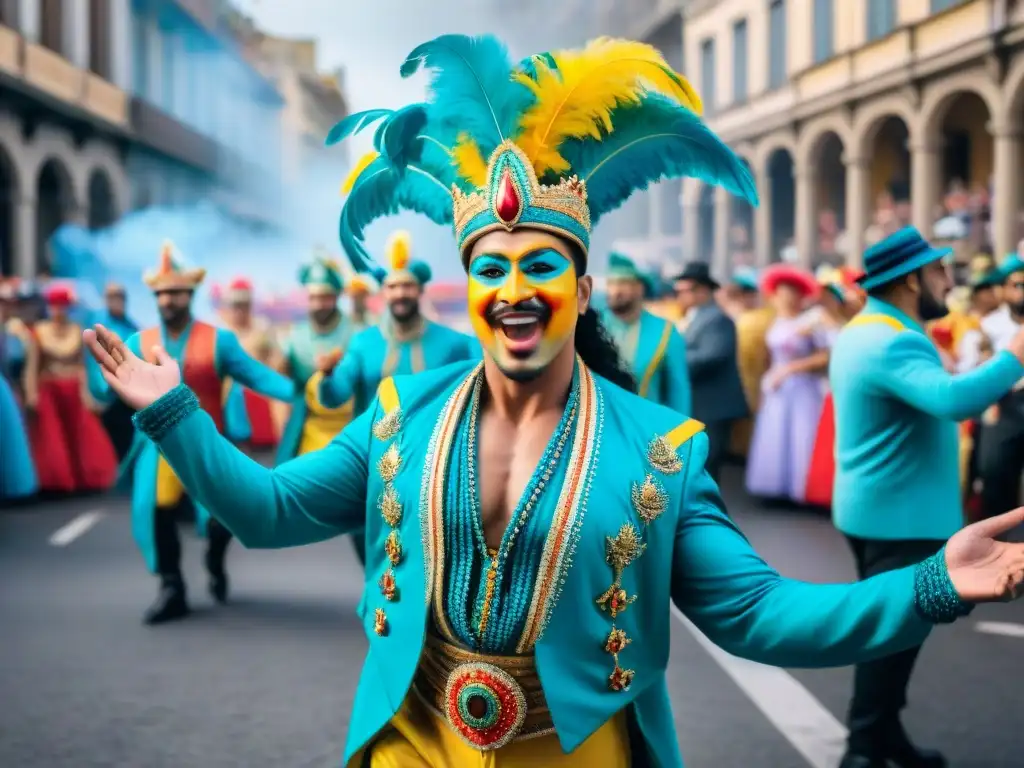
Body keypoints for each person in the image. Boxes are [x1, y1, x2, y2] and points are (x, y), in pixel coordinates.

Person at [85, 34, 1024, 768]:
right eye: (491, 269)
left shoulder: (663, 451)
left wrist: (932, 583)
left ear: (578, 289)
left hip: (578, 754)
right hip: (411, 743)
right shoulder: (401, 415)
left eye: (542, 264)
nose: (516, 287)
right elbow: (268, 513)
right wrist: (172, 412)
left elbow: (760, 615)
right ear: (471, 291)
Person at [831, 228, 1024, 768]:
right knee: (889, 639)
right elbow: (953, 400)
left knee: (895, 639)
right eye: (942, 271)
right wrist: (1016, 353)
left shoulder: (872, 327)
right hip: (900, 518)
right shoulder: (895, 338)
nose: (950, 281)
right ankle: (862, 750)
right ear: (914, 279)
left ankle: (883, 738)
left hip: (880, 510)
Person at [89, 242, 296, 625]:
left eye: (177, 292)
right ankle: (172, 587)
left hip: (208, 444)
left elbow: (258, 376)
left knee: (223, 517)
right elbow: (108, 387)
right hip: (159, 447)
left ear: (190, 294)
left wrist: (306, 392)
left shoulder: (220, 341)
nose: (169, 299)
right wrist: (98, 377)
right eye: (163, 292)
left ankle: (215, 562)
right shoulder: (139, 342)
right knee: (156, 512)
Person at [314, 229, 479, 566]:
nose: (400, 293)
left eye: (407, 286)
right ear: (384, 293)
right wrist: (327, 376)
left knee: (422, 552)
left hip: (430, 461)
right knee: (366, 540)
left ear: (419, 290)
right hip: (371, 458)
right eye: (393, 287)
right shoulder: (363, 343)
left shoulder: (454, 344)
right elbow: (335, 396)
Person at [745, 264, 827, 504]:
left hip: (802, 387)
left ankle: (801, 489)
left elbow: (824, 355)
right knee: (776, 433)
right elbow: (767, 356)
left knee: (801, 435)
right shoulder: (775, 321)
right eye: (780, 292)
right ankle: (775, 487)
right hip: (776, 389)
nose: (784, 297)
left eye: (790, 291)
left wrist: (791, 369)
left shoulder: (811, 322)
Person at [30, 284, 117, 493]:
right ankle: (57, 481)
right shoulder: (39, 332)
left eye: (63, 306)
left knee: (80, 433)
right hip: (50, 389)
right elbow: (32, 367)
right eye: (56, 306)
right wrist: (31, 394)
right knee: (53, 436)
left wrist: (86, 393)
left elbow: (82, 366)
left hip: (73, 387)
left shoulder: (76, 330)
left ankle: (84, 478)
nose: (59, 310)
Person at [276, 256, 359, 463]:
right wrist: (282, 426)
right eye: (313, 297)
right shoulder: (295, 337)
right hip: (307, 431)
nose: (318, 304)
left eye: (324, 297)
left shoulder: (356, 334)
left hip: (349, 428)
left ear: (336, 296)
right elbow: (281, 385)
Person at [672, 262, 747, 480]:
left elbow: (711, 356)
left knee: (707, 465)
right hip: (701, 403)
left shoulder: (716, 319)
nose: (680, 295)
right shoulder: (695, 316)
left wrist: (672, 362)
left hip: (714, 405)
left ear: (703, 290)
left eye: (685, 290)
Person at [601, 251, 690, 413]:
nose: (615, 291)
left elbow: (679, 394)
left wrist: (680, 437)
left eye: (622, 283)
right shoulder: (591, 326)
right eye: (611, 283)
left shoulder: (665, 332)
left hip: (646, 432)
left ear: (640, 288)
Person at [976, 254, 1024, 522]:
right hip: (1004, 404)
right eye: (1015, 285)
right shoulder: (990, 325)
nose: (1020, 292)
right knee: (995, 475)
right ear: (1004, 289)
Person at [221, 277, 279, 449]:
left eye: (243, 305)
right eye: (235, 305)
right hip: (229, 405)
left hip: (258, 404)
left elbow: (278, 365)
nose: (239, 311)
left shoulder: (262, 331)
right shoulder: (222, 334)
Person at [89, 282, 139, 460]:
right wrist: (92, 394)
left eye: (119, 296)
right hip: (99, 397)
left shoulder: (132, 327)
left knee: (123, 447)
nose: (116, 301)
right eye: (111, 296)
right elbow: (87, 361)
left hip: (123, 397)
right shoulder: (95, 324)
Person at [728, 268, 774, 459]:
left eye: (749, 292)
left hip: (759, 377)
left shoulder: (766, 317)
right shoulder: (738, 316)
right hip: (741, 377)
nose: (745, 297)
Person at [0, 280, 38, 502]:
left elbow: (25, 364)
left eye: (8, 303)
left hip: (7, 387)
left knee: (11, 439)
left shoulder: (18, 332)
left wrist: (26, 390)